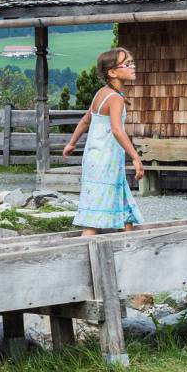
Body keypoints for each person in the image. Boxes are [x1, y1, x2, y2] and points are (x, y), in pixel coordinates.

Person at [63, 48, 144, 236]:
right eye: (127, 64)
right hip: (106, 162)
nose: (133, 67)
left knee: (121, 208)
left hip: (94, 160)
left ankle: (128, 247)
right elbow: (117, 130)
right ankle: (82, 256)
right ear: (112, 72)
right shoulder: (115, 98)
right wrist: (135, 157)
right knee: (94, 219)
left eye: (132, 62)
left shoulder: (101, 93)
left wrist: (72, 143)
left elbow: (85, 120)